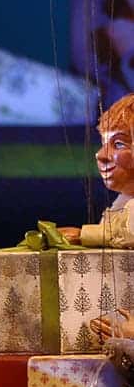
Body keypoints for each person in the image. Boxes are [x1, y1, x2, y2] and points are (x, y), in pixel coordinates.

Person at [60, 93, 134, 341]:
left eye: (119, 144)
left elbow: (129, 230)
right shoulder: (121, 206)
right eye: (104, 142)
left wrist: (84, 235)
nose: (101, 155)